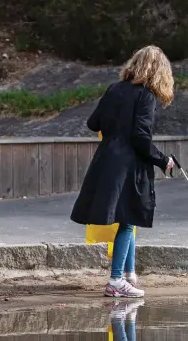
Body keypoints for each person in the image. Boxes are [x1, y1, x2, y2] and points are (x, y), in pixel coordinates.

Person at [71, 45, 176, 298]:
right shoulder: (146, 96)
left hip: (107, 159)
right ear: (159, 72)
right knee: (128, 221)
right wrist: (164, 161)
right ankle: (116, 280)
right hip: (129, 164)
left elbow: (92, 123)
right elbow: (140, 137)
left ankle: (129, 275)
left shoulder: (114, 89)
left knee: (127, 218)